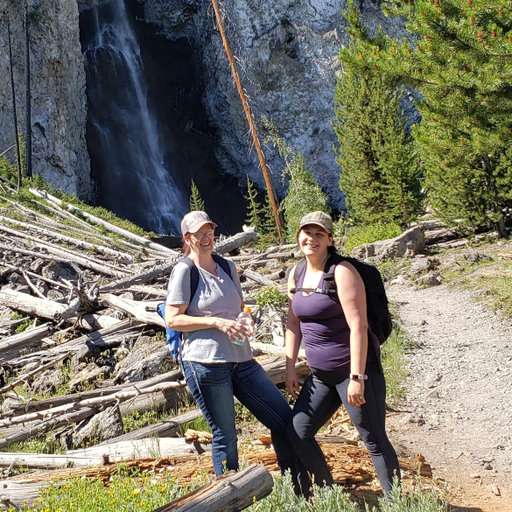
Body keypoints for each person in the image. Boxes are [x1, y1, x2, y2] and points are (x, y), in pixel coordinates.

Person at [165, 211, 307, 492]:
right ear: (187, 239)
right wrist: (215, 322)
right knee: (225, 437)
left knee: (282, 419)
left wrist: (244, 319)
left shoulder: (227, 266)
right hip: (205, 362)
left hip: (241, 359)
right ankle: (229, 499)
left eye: (209, 231)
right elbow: (172, 319)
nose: (206, 238)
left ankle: (297, 488)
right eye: (198, 234)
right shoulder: (184, 270)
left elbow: (239, 308)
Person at [285, 211, 400, 494]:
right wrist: (289, 368)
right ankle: (328, 490)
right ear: (298, 236)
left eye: (318, 234)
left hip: (354, 371)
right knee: (298, 430)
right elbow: (292, 322)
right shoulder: (296, 272)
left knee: (372, 438)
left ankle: (397, 501)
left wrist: (357, 377)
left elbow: (358, 327)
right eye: (306, 233)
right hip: (321, 376)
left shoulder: (342, 271)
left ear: (329, 239)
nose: (310, 239)